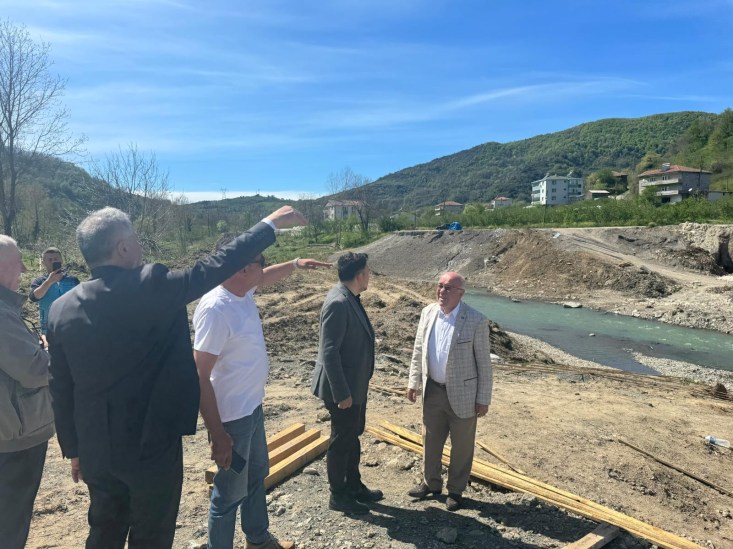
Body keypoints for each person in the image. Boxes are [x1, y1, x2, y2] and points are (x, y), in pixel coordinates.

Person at [47, 205, 306, 548]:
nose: (140, 246)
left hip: (96, 447)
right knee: (152, 535)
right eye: (135, 239)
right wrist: (269, 224)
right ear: (122, 247)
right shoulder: (151, 286)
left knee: (104, 531)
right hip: (150, 446)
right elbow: (213, 267)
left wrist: (74, 449)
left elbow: (61, 388)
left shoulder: (61, 309)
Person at [193, 242, 331, 549]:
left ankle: (257, 539)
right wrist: (218, 435)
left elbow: (266, 277)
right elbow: (199, 376)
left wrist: (295, 263)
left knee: (257, 474)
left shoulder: (241, 291)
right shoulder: (216, 309)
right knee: (228, 495)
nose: (264, 267)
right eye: (261, 261)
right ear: (243, 268)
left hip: (252, 409)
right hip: (232, 420)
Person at [406, 271, 493, 512]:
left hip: (464, 395)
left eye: (448, 288)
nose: (442, 291)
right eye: (440, 285)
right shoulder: (427, 313)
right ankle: (431, 482)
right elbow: (418, 350)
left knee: (462, 446)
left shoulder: (476, 320)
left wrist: (483, 398)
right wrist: (413, 382)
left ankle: (455, 490)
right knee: (430, 440)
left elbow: (484, 364)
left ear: (460, 293)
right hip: (432, 389)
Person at [311, 251, 382, 515]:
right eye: (368, 272)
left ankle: (353, 486)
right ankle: (338, 495)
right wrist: (342, 394)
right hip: (341, 388)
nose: (369, 276)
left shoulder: (350, 297)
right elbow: (329, 352)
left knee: (352, 436)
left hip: (354, 385)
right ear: (360, 275)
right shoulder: (339, 303)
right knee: (341, 441)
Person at [0, 235, 55, 549]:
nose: (23, 269)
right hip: (14, 438)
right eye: (17, 262)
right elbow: (34, 370)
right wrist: (46, 351)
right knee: (10, 523)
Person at [29, 247, 80, 347]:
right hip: (49, 329)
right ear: (43, 262)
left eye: (56, 259)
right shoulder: (39, 281)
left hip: (73, 326)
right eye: (49, 259)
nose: (53, 262)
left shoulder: (73, 280)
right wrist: (49, 282)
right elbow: (33, 297)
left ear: (61, 260)